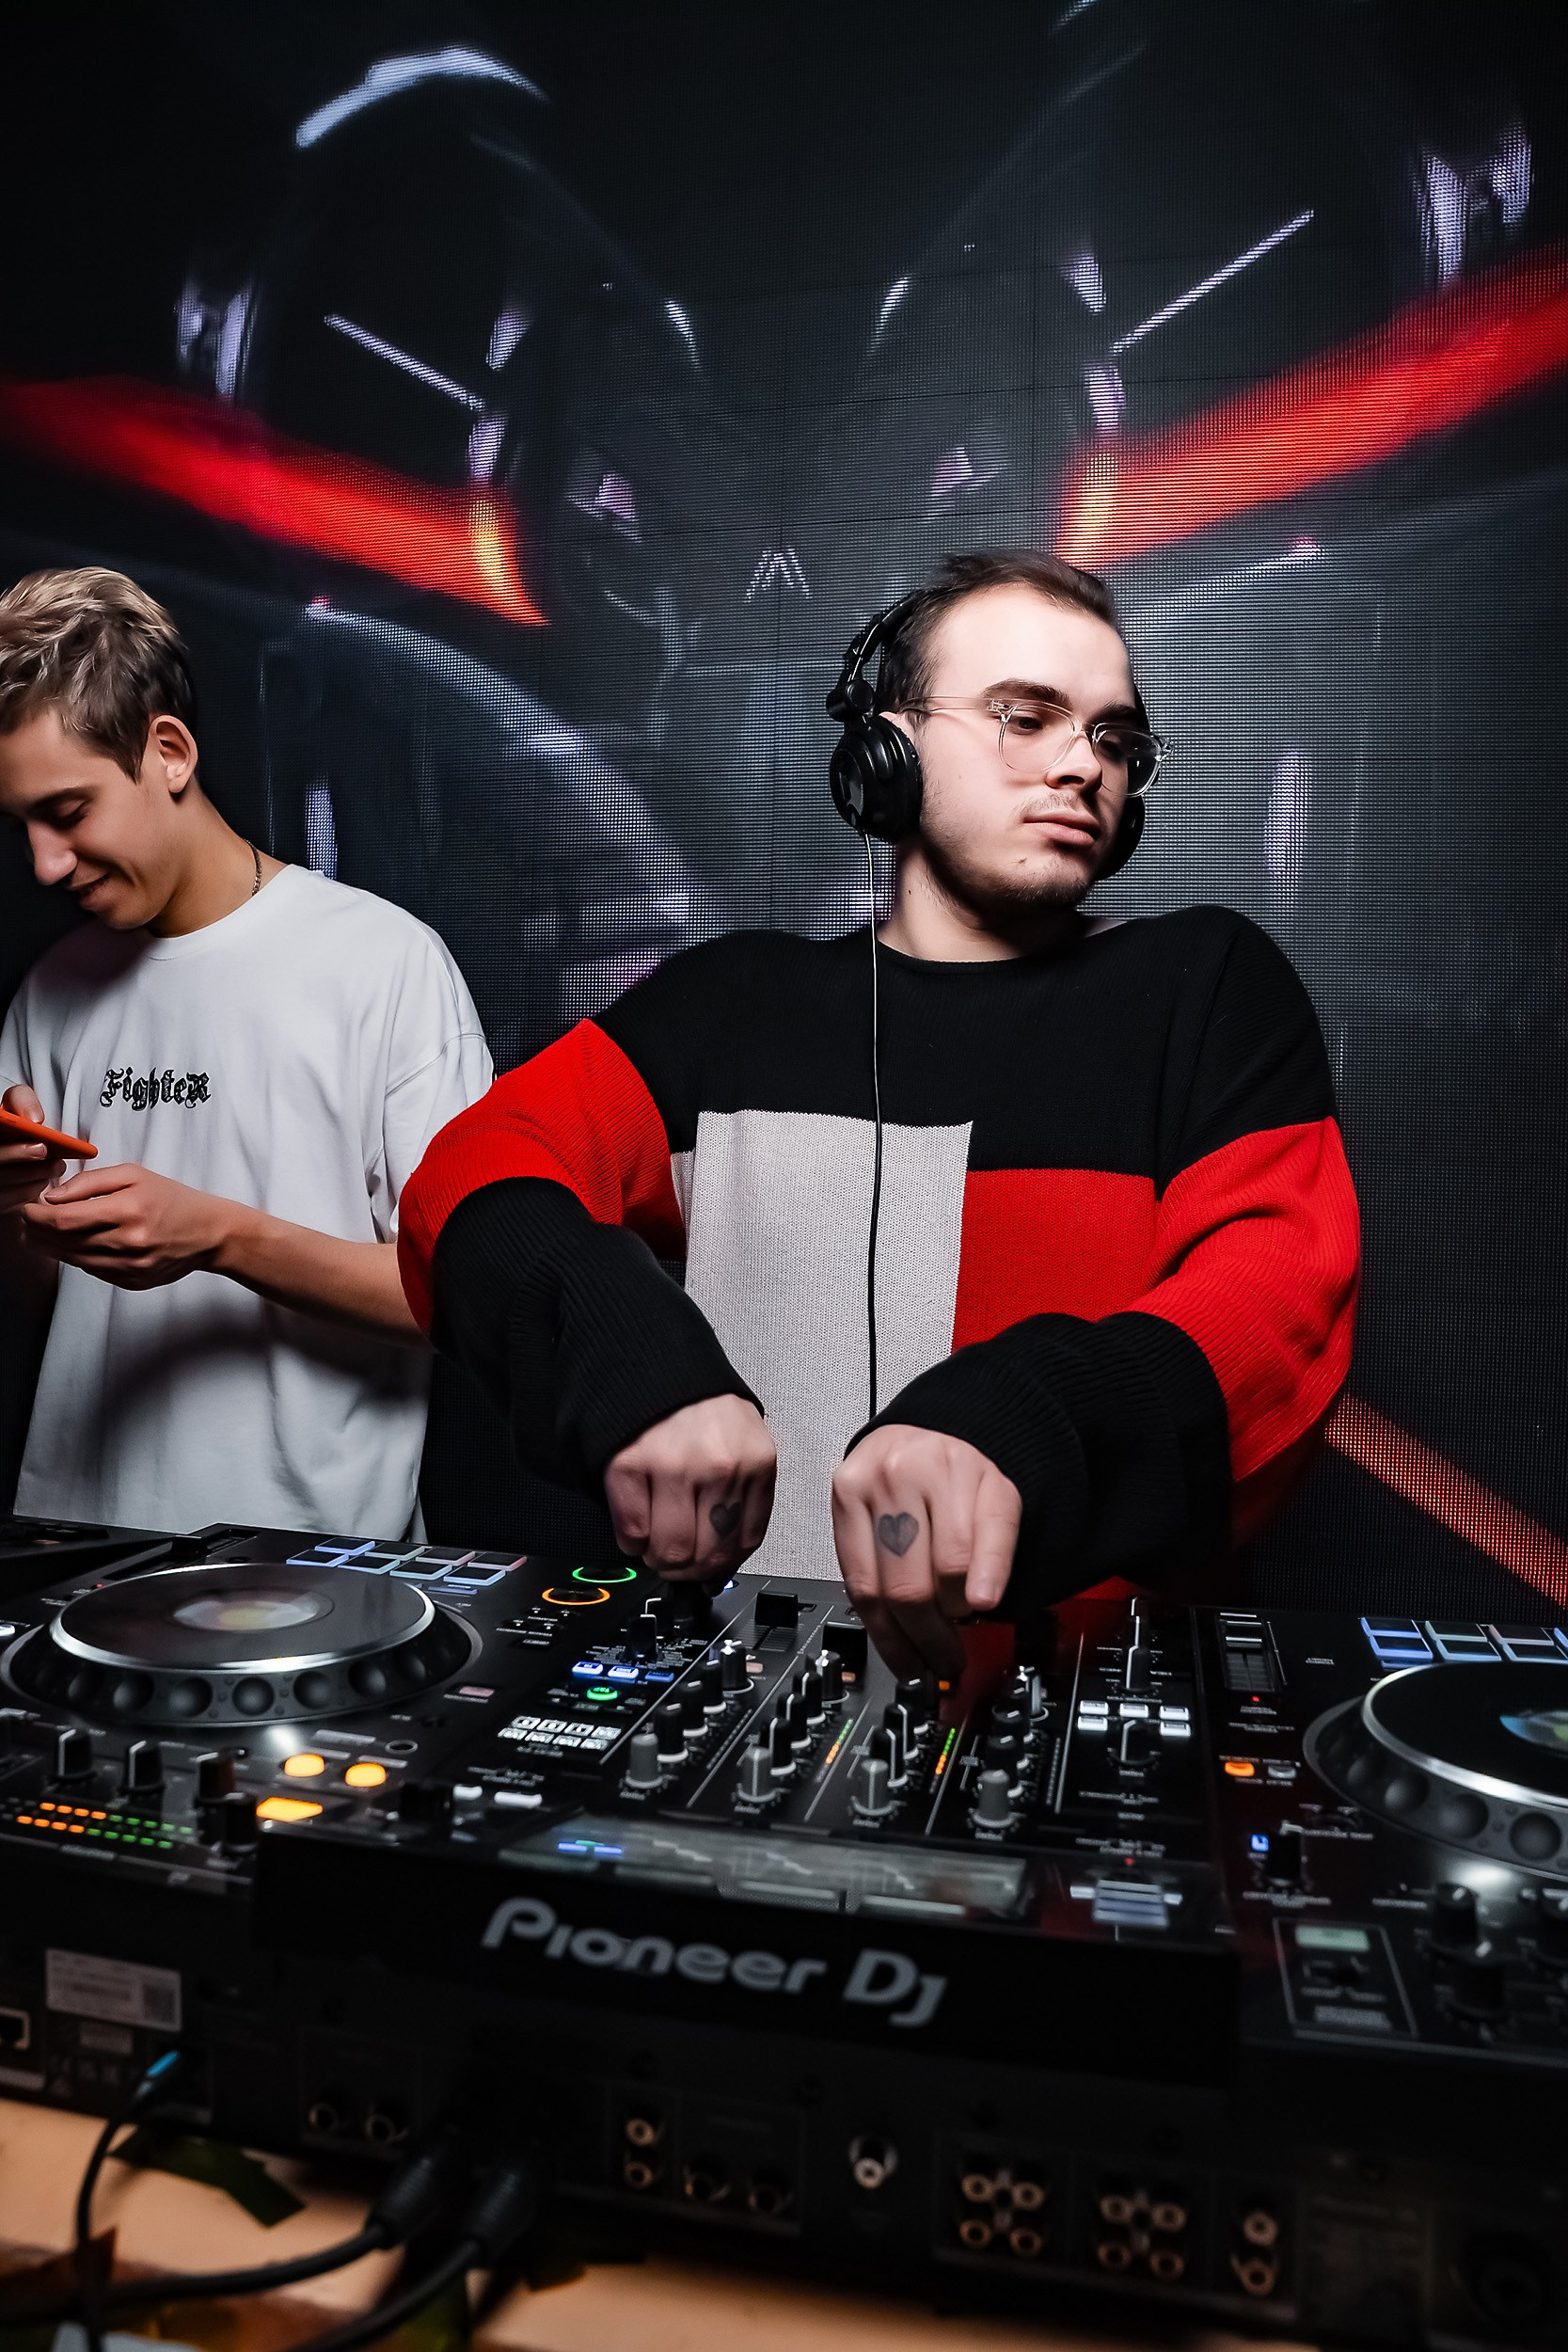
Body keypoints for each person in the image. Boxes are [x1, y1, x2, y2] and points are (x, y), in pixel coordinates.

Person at [397, 549, 1359, 1676]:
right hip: (751, 1694)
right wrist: (624, 1356)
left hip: (1078, 1695)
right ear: (886, 750)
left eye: (1112, 738)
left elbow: (1276, 1297)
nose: (1079, 764)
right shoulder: (725, 1002)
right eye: (1024, 718)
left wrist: (1022, 1422)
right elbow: (474, 1169)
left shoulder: (1207, 983)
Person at [0, 567, 492, 1536]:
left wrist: (219, 1236)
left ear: (169, 753)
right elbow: (36, 1309)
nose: (45, 863)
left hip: (317, 1576)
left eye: (68, 812)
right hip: (75, 1562)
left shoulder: (385, 964)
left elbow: (471, 1298)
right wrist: (13, 1206)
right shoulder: (50, 991)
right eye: (21, 826)